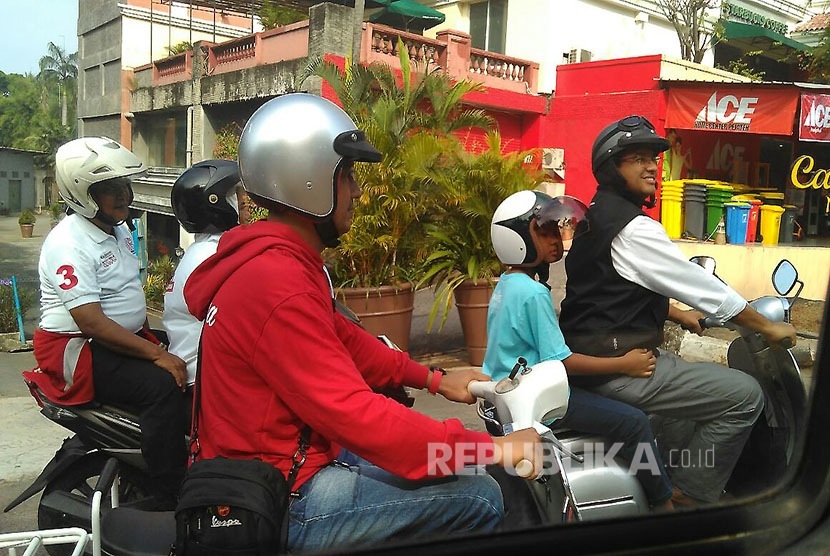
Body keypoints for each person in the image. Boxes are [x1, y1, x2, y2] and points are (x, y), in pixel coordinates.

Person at [182, 93, 544, 552]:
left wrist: (436, 379)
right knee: (482, 494)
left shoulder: (278, 262)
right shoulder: (277, 282)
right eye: (347, 175)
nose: (356, 191)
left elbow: (344, 338)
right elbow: (355, 413)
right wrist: (492, 449)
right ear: (306, 181)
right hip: (284, 498)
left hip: (283, 465)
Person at [558, 115, 798, 506]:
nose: (652, 166)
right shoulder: (634, 228)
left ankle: (668, 472)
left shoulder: (596, 217)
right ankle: (689, 494)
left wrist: (676, 313)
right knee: (744, 395)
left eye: (654, 157)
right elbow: (701, 285)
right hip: (620, 367)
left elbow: (611, 288)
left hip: (596, 357)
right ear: (612, 168)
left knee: (696, 392)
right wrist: (765, 327)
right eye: (637, 158)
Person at [485, 190, 673, 510]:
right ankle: (664, 503)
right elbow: (564, 362)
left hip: (508, 397)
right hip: (541, 401)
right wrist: (624, 364)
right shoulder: (532, 294)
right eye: (544, 232)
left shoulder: (506, 284)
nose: (556, 239)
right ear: (517, 239)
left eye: (556, 230)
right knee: (634, 421)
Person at [26, 136, 188, 506]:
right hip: (76, 350)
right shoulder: (68, 243)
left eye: (124, 185)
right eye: (109, 188)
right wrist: (157, 355)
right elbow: (91, 322)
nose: (123, 194)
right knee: (161, 386)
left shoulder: (115, 230)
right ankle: (170, 494)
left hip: (111, 340)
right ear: (81, 194)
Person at [164, 159, 242, 395]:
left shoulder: (206, 249)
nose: (245, 202)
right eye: (234, 195)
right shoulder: (214, 256)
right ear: (216, 202)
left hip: (201, 372)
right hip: (205, 382)